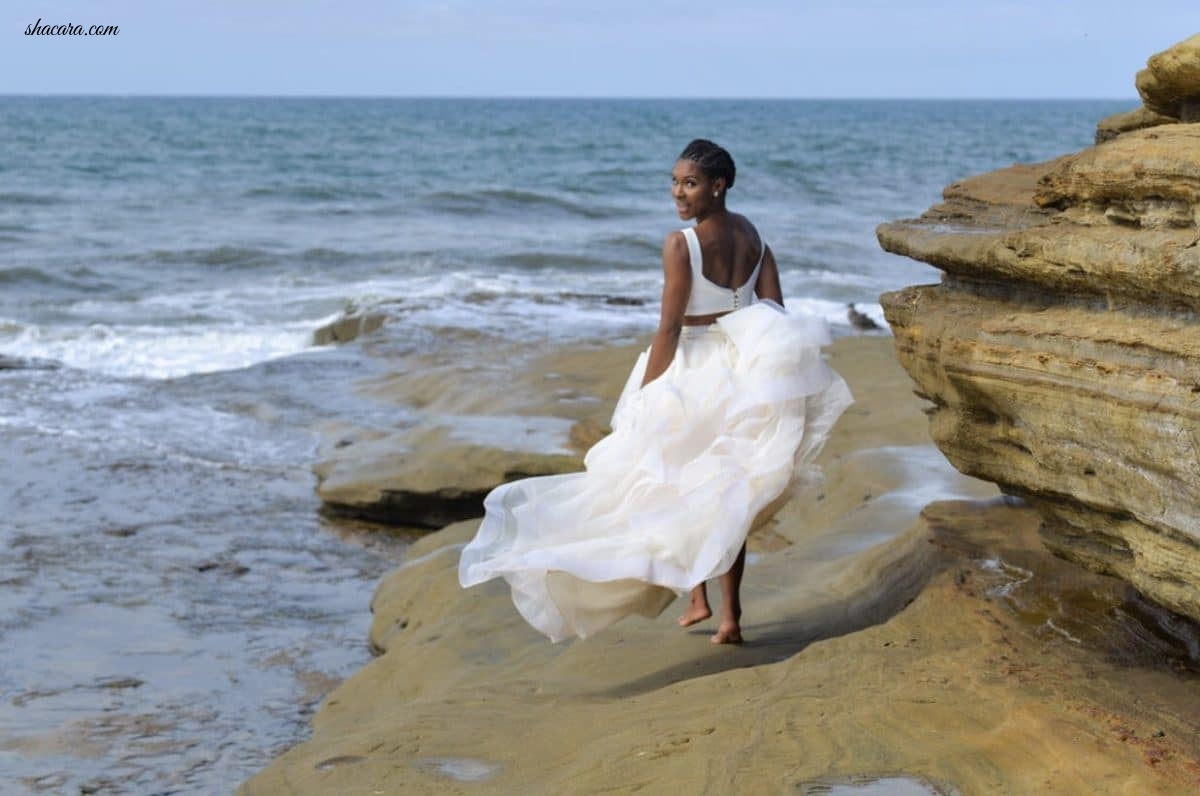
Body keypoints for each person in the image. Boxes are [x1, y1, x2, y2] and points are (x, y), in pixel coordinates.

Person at [458, 139, 853, 645]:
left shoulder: (679, 244)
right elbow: (774, 313)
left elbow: (668, 327)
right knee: (727, 492)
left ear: (719, 185)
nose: (677, 193)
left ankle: (701, 599)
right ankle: (720, 612)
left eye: (689, 183)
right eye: (674, 182)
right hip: (741, 371)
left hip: (690, 369)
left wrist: (647, 394)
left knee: (674, 483)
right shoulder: (756, 240)